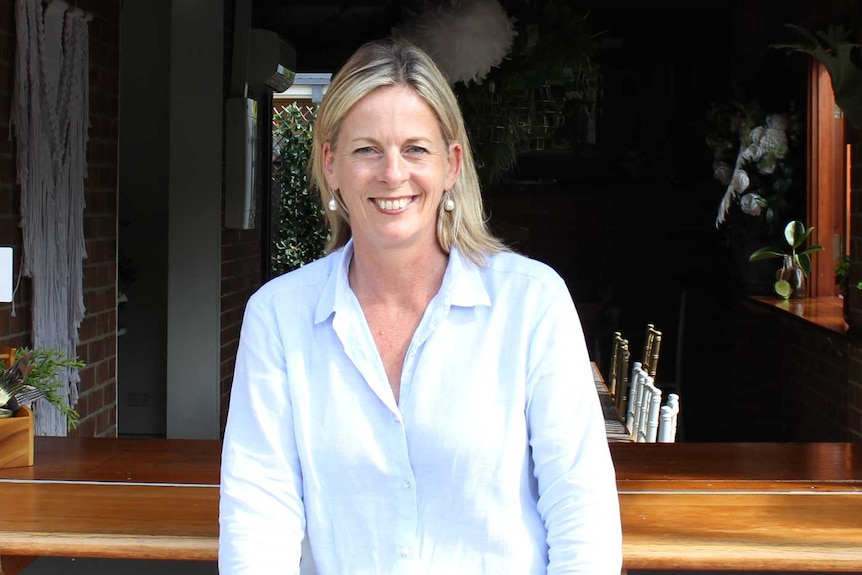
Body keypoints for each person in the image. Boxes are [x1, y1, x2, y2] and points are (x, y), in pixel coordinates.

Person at [219, 37, 622, 575]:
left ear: (451, 164)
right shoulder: (278, 316)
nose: (392, 173)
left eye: (415, 148)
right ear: (331, 164)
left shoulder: (530, 303)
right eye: (366, 149)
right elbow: (258, 519)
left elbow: (582, 514)